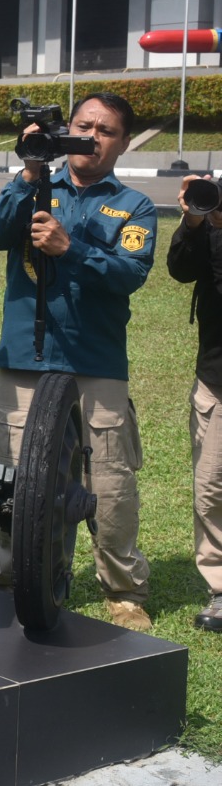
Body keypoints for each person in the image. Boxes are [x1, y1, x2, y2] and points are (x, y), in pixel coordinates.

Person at [0, 92, 156, 631]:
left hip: (94, 360)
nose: (91, 137)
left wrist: (69, 248)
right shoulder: (36, 187)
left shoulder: (134, 206)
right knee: (11, 473)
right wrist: (30, 169)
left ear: (123, 143)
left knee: (108, 479)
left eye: (105, 130)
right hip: (25, 358)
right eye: (83, 125)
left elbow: (130, 274)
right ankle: (12, 567)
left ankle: (122, 588)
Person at [167, 174, 222, 633]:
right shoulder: (213, 213)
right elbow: (182, 269)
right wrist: (196, 221)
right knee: (212, 489)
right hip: (217, 379)